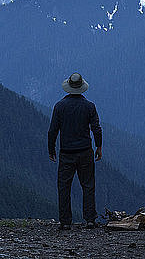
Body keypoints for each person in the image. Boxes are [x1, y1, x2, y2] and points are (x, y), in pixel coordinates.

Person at [48, 72, 102, 230]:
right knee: (88, 185)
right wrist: (98, 146)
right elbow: (96, 129)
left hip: (66, 152)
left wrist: (51, 149)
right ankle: (90, 219)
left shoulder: (60, 106)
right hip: (85, 151)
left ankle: (65, 222)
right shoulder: (89, 106)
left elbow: (52, 131)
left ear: (68, 87)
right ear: (82, 87)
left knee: (64, 186)